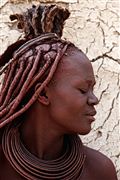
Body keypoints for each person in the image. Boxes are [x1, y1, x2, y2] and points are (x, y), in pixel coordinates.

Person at [0, 4, 118, 180]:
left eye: (92, 89)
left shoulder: (99, 172)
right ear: (43, 94)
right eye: (83, 89)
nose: (94, 100)